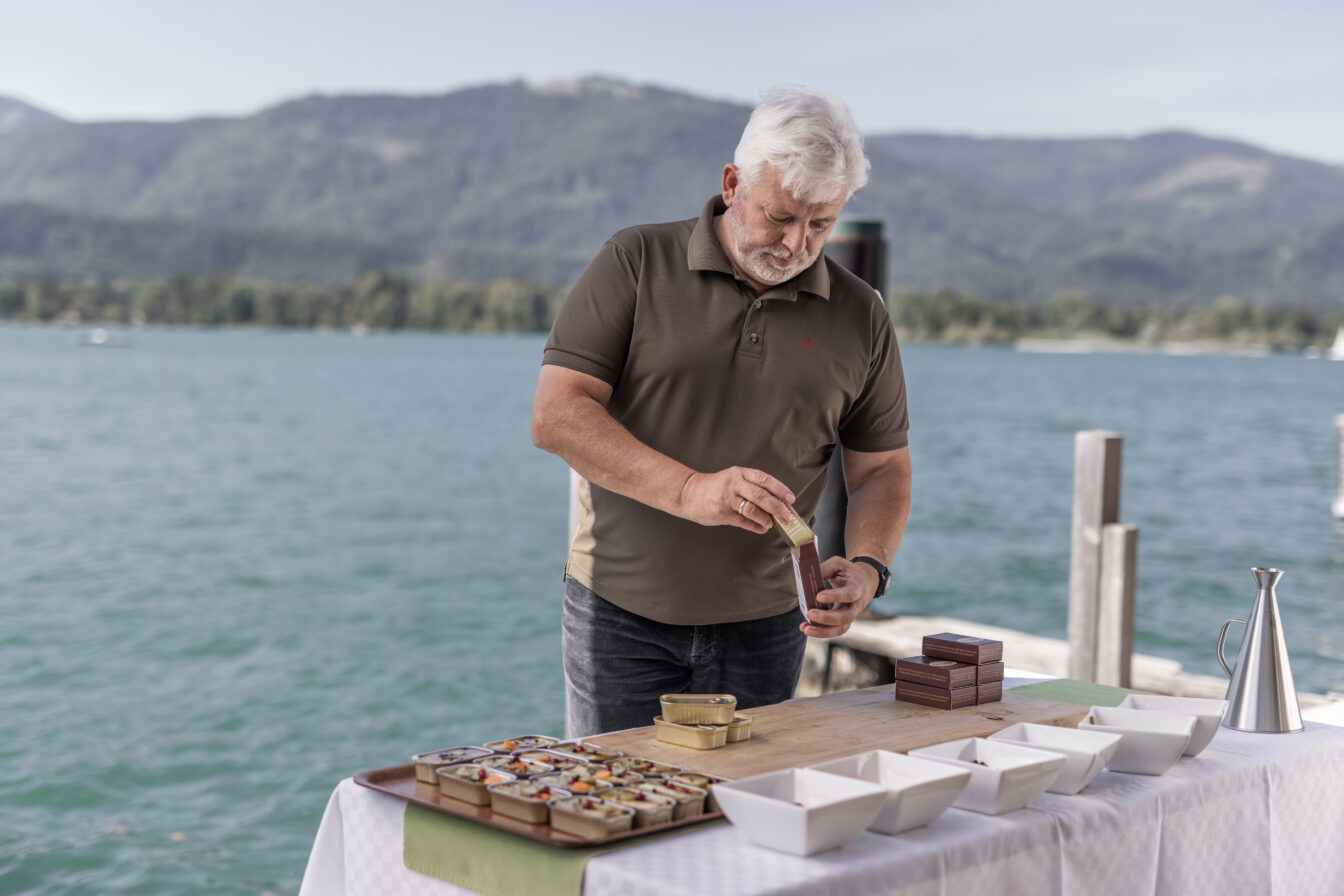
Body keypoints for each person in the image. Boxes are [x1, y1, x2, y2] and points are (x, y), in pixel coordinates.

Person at [531, 87, 911, 737]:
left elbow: (883, 470)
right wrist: (690, 490)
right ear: (733, 184)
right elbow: (557, 415)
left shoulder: (862, 315)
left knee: (748, 800)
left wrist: (869, 567)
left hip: (769, 630)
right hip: (618, 618)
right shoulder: (634, 261)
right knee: (616, 798)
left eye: (821, 225)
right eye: (780, 216)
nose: (796, 244)